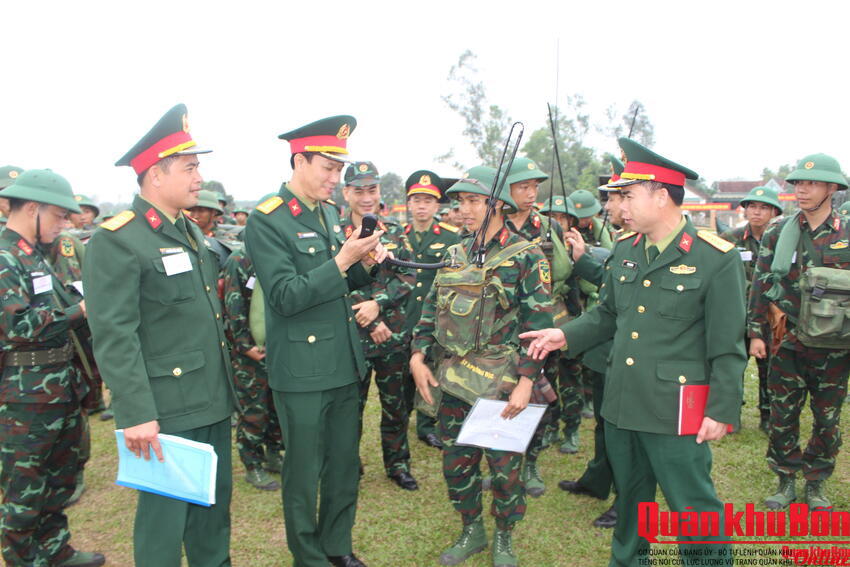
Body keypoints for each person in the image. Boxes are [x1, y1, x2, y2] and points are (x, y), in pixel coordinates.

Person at [522, 137, 745, 566]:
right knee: (630, 505)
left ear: (661, 196)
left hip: (674, 409)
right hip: (623, 404)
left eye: (628, 195)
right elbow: (607, 313)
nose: (619, 205)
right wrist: (563, 335)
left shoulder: (715, 258)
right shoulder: (626, 249)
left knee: (693, 506)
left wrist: (720, 409)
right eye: (619, 196)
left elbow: (727, 345)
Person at [84, 103, 237, 567]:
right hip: (165, 408)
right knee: (164, 523)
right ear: (155, 174)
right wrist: (136, 413)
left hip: (210, 396)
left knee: (212, 511)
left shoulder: (188, 231)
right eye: (189, 168)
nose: (199, 178)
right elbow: (115, 334)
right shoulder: (119, 239)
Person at [245, 115, 386, 567]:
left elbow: (337, 284)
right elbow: (285, 297)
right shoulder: (267, 219)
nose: (335, 178)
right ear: (299, 161)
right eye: (328, 167)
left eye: (339, 169)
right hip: (302, 370)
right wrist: (343, 259)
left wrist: (366, 262)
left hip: (342, 361)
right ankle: (308, 557)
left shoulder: (326, 213)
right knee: (304, 473)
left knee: (343, 465)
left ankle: (337, 546)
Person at [411, 165, 553, 567]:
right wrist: (418, 356)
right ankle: (471, 529)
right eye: (460, 202)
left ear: (498, 204)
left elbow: (539, 328)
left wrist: (527, 381)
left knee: (504, 466)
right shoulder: (454, 254)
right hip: (454, 379)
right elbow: (431, 311)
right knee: (457, 462)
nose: (464, 210)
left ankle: (504, 536)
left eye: (473, 201)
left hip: (501, 381)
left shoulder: (526, 256)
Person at [0, 169, 105, 567]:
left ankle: (55, 549)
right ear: (33, 208)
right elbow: (18, 325)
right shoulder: (5, 257)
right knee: (24, 487)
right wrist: (80, 311)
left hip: (58, 386)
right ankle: (24, 558)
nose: (65, 225)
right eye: (59, 216)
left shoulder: (35, 256)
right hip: (24, 396)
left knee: (60, 477)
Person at [748, 154, 850, 511]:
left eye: (812, 184)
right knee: (783, 415)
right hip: (787, 338)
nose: (802, 190)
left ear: (832, 188)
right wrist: (756, 331)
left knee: (827, 419)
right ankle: (786, 479)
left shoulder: (847, 231)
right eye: (798, 184)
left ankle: (816, 482)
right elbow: (761, 282)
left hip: (835, 344)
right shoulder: (779, 231)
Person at [555, 165, 629, 529]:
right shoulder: (626, 240)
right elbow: (610, 282)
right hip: (604, 351)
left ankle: (626, 499)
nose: (608, 206)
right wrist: (583, 258)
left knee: (623, 429)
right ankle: (599, 478)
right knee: (604, 422)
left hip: (627, 354)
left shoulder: (644, 242)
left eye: (614, 198)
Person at [341, 161, 418, 490]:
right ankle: (348, 465)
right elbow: (332, 280)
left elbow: (409, 277)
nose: (366, 197)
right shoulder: (334, 234)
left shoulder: (396, 233)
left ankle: (397, 464)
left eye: (371, 190)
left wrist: (379, 305)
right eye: (358, 190)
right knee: (349, 409)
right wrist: (370, 319)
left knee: (396, 406)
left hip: (393, 337)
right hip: (352, 338)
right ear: (346, 193)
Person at [221, 218, 283, 491]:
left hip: (278, 347)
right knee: (254, 409)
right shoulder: (240, 260)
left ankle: (273, 453)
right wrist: (246, 346)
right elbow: (233, 305)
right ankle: (252, 464)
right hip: (250, 352)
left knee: (277, 406)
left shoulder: (278, 256)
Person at [403, 170, 461, 449]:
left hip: (434, 320)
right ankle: (401, 418)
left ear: (438, 205)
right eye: (417, 200)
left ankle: (426, 425)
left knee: (431, 368)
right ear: (408, 204)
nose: (422, 206)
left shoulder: (451, 238)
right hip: (402, 317)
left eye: (428, 200)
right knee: (402, 375)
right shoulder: (397, 236)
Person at [721, 185, 783, 433]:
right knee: (732, 365)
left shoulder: (782, 240)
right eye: (752, 206)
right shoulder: (730, 238)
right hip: (735, 313)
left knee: (768, 368)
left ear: (774, 212)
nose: (757, 212)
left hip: (768, 314)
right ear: (745, 210)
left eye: (764, 207)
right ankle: (730, 414)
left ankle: (767, 416)